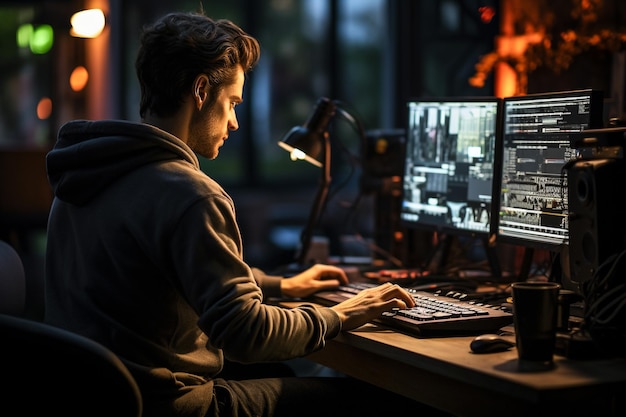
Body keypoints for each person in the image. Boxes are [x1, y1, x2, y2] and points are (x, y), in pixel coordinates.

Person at [44, 10, 450, 417]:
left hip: (97, 397)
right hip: (173, 403)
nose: (236, 122)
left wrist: (282, 285)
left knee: (286, 371)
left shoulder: (85, 175)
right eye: (233, 102)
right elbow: (246, 335)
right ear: (201, 90)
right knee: (379, 399)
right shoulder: (189, 194)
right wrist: (343, 313)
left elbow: (171, 271)